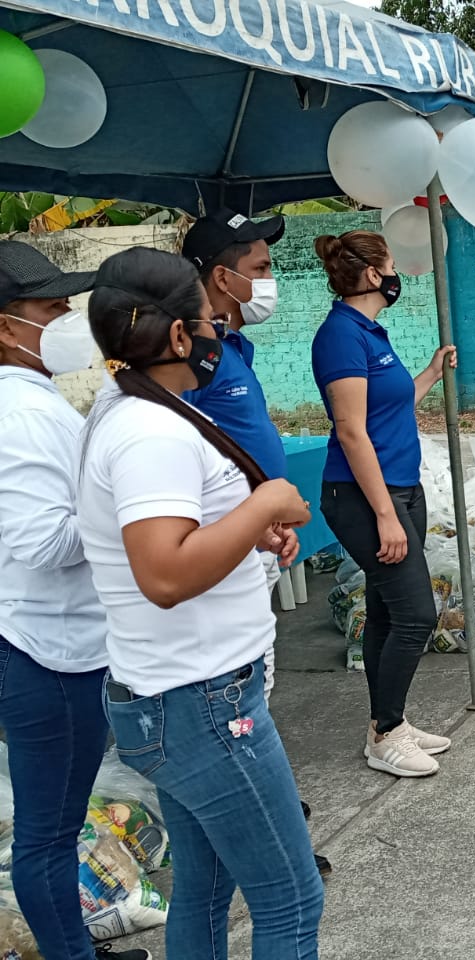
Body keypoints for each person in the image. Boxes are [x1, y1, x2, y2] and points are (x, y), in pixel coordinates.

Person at [79, 247, 323, 958]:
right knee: (291, 898)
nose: (220, 329)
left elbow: (176, 533)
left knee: (207, 887)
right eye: (209, 318)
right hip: (202, 702)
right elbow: (163, 574)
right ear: (181, 336)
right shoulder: (150, 432)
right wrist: (265, 504)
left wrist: (243, 529)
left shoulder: (140, 409)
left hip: (182, 694)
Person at [0, 242, 150, 960]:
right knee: (50, 834)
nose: (68, 317)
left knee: (54, 826)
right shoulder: (20, 414)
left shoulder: (35, 401)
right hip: (46, 650)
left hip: (54, 639)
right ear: (7, 326)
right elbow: (43, 542)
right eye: (51, 306)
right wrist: (131, 509)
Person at [180, 208, 332, 877]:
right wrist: (249, 520)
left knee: (257, 683)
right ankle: (263, 827)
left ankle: (266, 805)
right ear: (222, 278)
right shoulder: (191, 361)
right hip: (224, 550)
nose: (271, 281)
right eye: (261, 268)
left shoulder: (231, 348)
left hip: (255, 543)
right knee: (237, 694)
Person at [310, 230, 455, 777]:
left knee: (388, 611)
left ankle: (388, 721)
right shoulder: (341, 336)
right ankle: (385, 732)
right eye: (391, 265)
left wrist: (431, 374)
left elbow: (387, 408)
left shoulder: (370, 332)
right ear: (374, 275)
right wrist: (385, 515)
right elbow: (351, 431)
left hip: (399, 488)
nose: (396, 275)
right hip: (364, 497)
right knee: (417, 616)